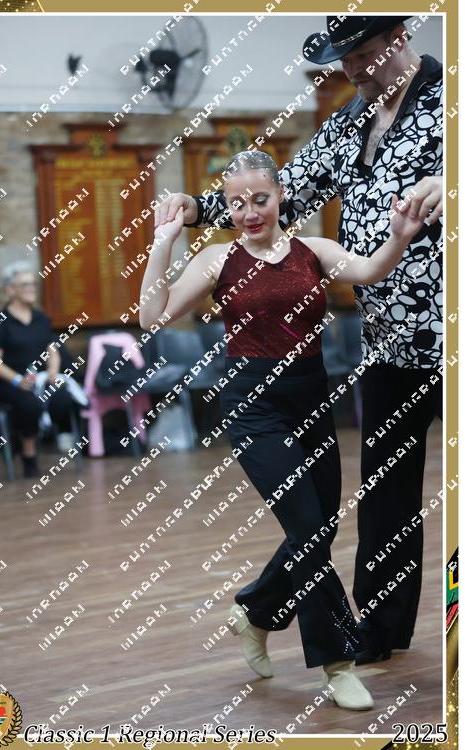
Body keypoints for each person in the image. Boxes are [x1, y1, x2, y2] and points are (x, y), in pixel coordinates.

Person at [154, 15, 443, 665]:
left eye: (364, 55)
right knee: (385, 494)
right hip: (388, 341)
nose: (352, 71)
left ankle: (263, 610)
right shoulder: (349, 121)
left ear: (400, 40)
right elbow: (284, 193)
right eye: (344, 60)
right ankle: (377, 632)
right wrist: (198, 209)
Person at [140, 149, 425, 710]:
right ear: (225, 207)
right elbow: (152, 317)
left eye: (260, 199)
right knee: (309, 531)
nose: (249, 212)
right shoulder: (218, 260)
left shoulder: (313, 251)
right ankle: (337, 663)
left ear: (280, 197)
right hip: (253, 405)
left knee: (316, 526)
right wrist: (163, 243)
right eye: (236, 203)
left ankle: (254, 611)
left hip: (311, 398)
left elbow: (370, 270)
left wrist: (399, 236)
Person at [0, 261, 75, 477]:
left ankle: (50, 435)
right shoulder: (1, 321)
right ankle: (29, 453)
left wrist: (53, 371)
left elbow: (52, 349)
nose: (31, 289)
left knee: (63, 398)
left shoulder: (41, 318)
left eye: (33, 284)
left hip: (39, 379)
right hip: (9, 382)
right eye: (25, 285)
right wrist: (17, 380)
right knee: (29, 404)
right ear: (11, 290)